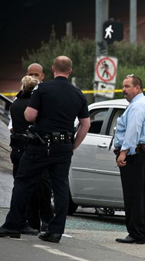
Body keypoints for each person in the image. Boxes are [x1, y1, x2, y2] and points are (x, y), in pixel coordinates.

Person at [0, 55, 90, 243]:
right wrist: (73, 145)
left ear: (52, 69)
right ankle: (55, 230)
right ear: (70, 70)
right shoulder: (78, 94)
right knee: (60, 187)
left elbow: (30, 115)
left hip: (41, 144)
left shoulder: (43, 89)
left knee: (24, 182)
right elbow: (85, 124)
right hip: (64, 146)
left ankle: (13, 225)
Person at [9, 63, 53, 234]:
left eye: (37, 74)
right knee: (30, 185)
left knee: (37, 186)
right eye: (31, 74)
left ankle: (33, 221)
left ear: (43, 75)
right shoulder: (20, 99)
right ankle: (32, 221)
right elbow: (12, 126)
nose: (34, 76)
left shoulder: (41, 96)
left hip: (29, 147)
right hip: (29, 147)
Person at [113, 74, 145, 244]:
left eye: (127, 86)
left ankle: (136, 233)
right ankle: (143, 233)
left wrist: (123, 153)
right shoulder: (140, 104)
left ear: (137, 88)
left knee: (133, 195)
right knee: (140, 194)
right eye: (123, 86)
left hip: (135, 154)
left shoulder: (138, 106)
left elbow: (133, 130)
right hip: (143, 152)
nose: (123, 90)